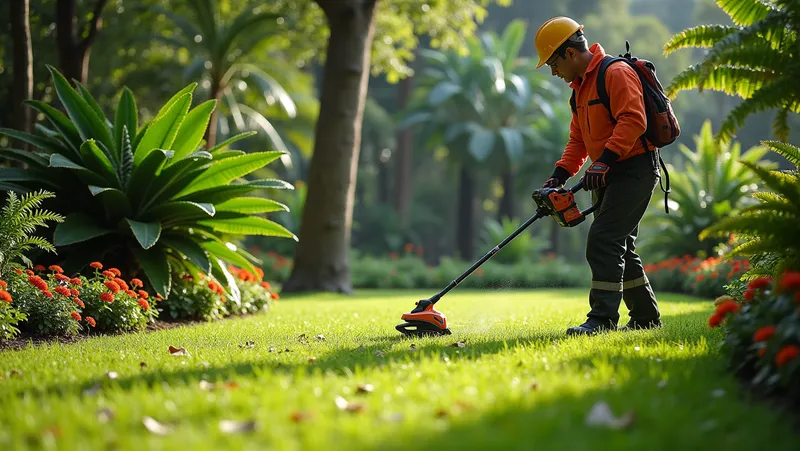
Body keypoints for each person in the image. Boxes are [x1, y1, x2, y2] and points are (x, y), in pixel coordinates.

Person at [534, 16, 662, 336]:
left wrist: (604, 161)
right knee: (621, 244)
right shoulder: (579, 90)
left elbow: (633, 121)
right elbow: (578, 139)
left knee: (604, 239)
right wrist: (559, 175)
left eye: (553, 63)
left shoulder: (615, 73)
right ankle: (646, 317)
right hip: (606, 173)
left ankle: (602, 320)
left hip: (634, 169)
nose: (553, 71)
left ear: (569, 54)